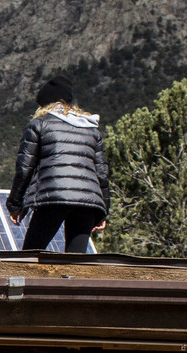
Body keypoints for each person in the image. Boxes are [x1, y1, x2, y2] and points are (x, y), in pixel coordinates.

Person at [6, 76, 109, 254]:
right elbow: (102, 174)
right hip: (86, 203)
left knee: (29, 257)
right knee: (76, 263)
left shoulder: (39, 124)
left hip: (51, 197)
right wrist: (103, 211)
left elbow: (24, 168)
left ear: (45, 105)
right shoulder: (91, 130)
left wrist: (15, 205)